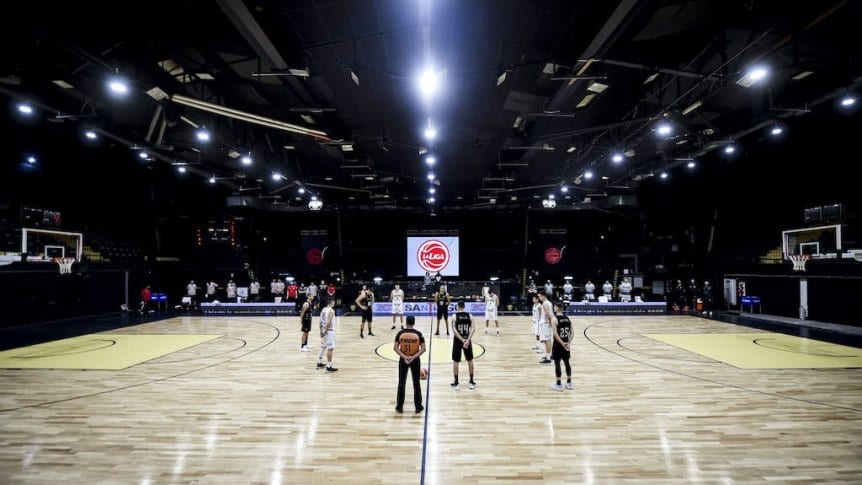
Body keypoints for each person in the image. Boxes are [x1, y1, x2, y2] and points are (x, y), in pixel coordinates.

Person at [394, 316, 426, 413]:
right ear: (414, 323)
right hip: (415, 360)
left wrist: (404, 357)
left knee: (401, 383)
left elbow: (395, 348)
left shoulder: (400, 333)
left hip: (403, 360)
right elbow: (423, 349)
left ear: (406, 322)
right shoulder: (418, 334)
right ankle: (418, 407)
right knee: (416, 383)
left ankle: (399, 407)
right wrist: (413, 357)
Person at [450, 301, 476, 390]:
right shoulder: (470, 316)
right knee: (470, 360)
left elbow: (454, 330)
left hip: (458, 340)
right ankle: (471, 382)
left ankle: (456, 383)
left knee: (456, 361)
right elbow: (473, 329)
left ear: (457, 306)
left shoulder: (454, 316)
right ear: (464, 306)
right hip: (467, 340)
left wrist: (462, 340)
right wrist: (467, 340)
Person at [549, 301, 573, 391]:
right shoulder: (567, 319)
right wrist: (568, 343)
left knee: (557, 363)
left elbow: (555, 334)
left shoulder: (554, 319)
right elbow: (572, 332)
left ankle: (558, 384)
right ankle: (569, 383)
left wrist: (562, 344)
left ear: (556, 308)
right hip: (566, 344)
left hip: (558, 344)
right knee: (567, 363)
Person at [316, 298, 338, 372]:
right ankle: (329, 366)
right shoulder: (331, 311)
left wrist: (321, 331)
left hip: (323, 330)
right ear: (332, 302)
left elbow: (320, 321)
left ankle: (319, 362)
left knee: (323, 346)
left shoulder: (323, 310)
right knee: (330, 348)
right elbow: (328, 323)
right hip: (329, 331)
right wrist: (325, 331)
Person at [538, 293, 554, 364]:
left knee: (547, 341)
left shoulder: (545, 304)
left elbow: (548, 315)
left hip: (545, 324)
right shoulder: (549, 303)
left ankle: (548, 358)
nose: (539, 298)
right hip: (546, 324)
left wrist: (550, 323)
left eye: (540, 296)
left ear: (543, 296)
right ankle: (549, 355)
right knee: (546, 341)